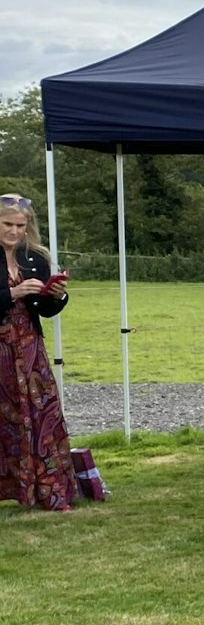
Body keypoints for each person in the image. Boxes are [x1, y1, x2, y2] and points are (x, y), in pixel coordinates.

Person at [0, 191, 78, 512]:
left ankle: (49, 490)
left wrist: (56, 295)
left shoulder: (35, 257)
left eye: (20, 225)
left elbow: (44, 309)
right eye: (7, 224)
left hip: (30, 346)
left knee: (42, 413)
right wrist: (13, 292)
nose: (14, 231)